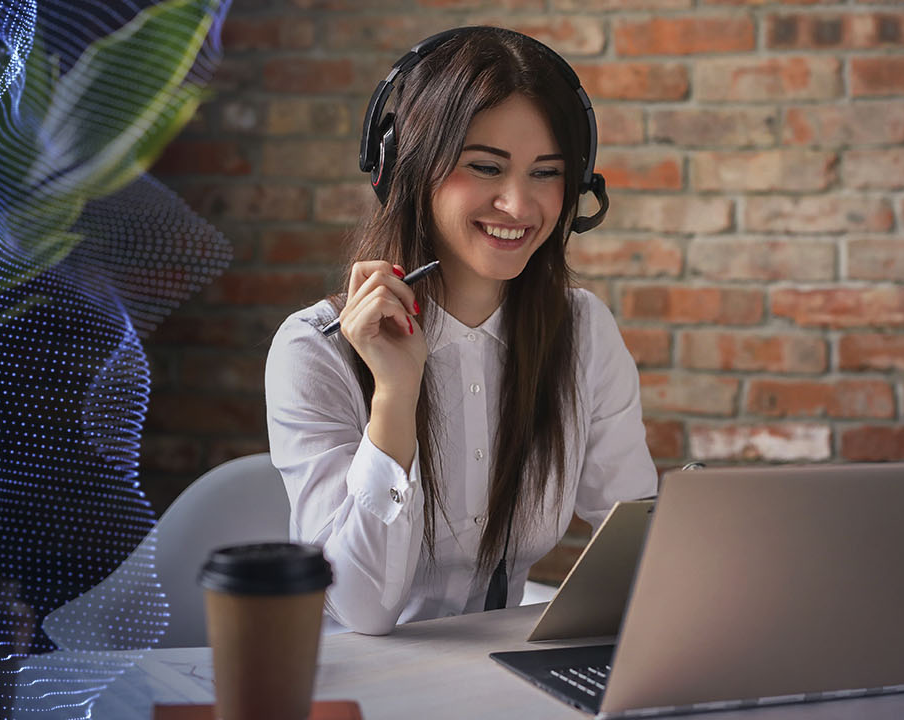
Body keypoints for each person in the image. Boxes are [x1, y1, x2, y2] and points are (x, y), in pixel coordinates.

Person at [264, 27, 656, 636]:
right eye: (485, 167)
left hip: (495, 678)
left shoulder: (581, 332)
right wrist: (394, 396)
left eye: (546, 173)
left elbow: (640, 544)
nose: (520, 205)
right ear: (406, 168)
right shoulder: (314, 349)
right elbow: (362, 610)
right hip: (344, 680)